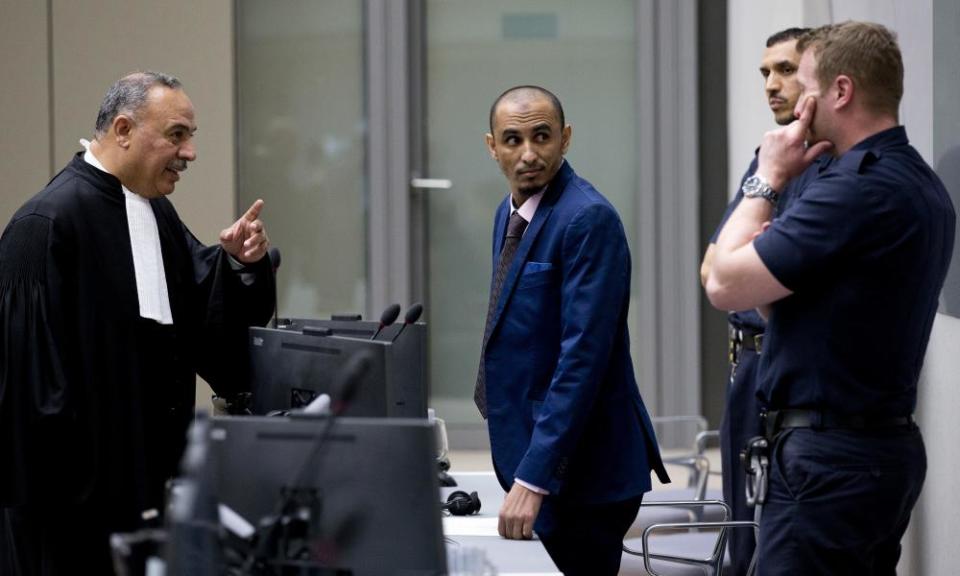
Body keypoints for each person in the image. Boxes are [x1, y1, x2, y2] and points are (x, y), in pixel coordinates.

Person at [0, 72, 275, 575]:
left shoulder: (153, 211)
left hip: (149, 494)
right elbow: (30, 398)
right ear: (123, 129)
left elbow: (199, 313)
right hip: (75, 513)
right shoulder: (45, 225)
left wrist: (237, 264)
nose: (189, 152)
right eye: (177, 135)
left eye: (191, 136)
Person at [706, 22, 955, 574]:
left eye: (806, 83)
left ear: (841, 92)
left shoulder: (855, 190)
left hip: (830, 461)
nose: (796, 100)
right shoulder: (915, 179)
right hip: (868, 452)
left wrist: (767, 178)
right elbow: (774, 298)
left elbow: (724, 283)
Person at [475, 85, 669, 575]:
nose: (528, 154)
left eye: (542, 136)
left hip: (584, 475)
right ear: (491, 147)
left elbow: (583, 357)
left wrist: (535, 478)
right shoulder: (510, 211)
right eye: (513, 140)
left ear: (565, 138)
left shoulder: (587, 218)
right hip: (541, 454)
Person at [699, 27, 828, 575]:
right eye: (764, 73)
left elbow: (753, 279)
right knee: (740, 532)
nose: (771, 85)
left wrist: (738, 273)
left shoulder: (821, 169)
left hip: (783, 362)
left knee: (770, 533)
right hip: (746, 362)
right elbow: (712, 268)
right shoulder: (769, 156)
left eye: (785, 70)